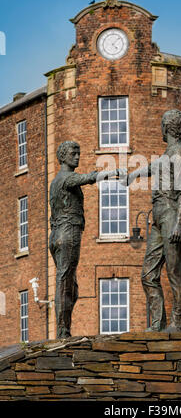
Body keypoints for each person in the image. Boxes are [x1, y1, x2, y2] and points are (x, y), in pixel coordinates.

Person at [49, 140, 125, 338]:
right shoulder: (65, 178)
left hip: (56, 235)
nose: (77, 157)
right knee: (65, 283)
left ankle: (63, 327)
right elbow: (85, 179)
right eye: (73, 153)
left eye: (78, 153)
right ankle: (62, 331)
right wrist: (108, 173)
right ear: (63, 156)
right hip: (68, 233)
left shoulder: (55, 181)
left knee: (70, 286)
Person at [124, 110, 181, 332]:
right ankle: (157, 323)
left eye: (161, 124)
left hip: (172, 214)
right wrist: (134, 174)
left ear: (166, 127)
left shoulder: (179, 153)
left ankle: (177, 324)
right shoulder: (168, 153)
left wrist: (179, 223)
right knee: (148, 274)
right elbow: (153, 167)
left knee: (175, 271)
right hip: (159, 217)